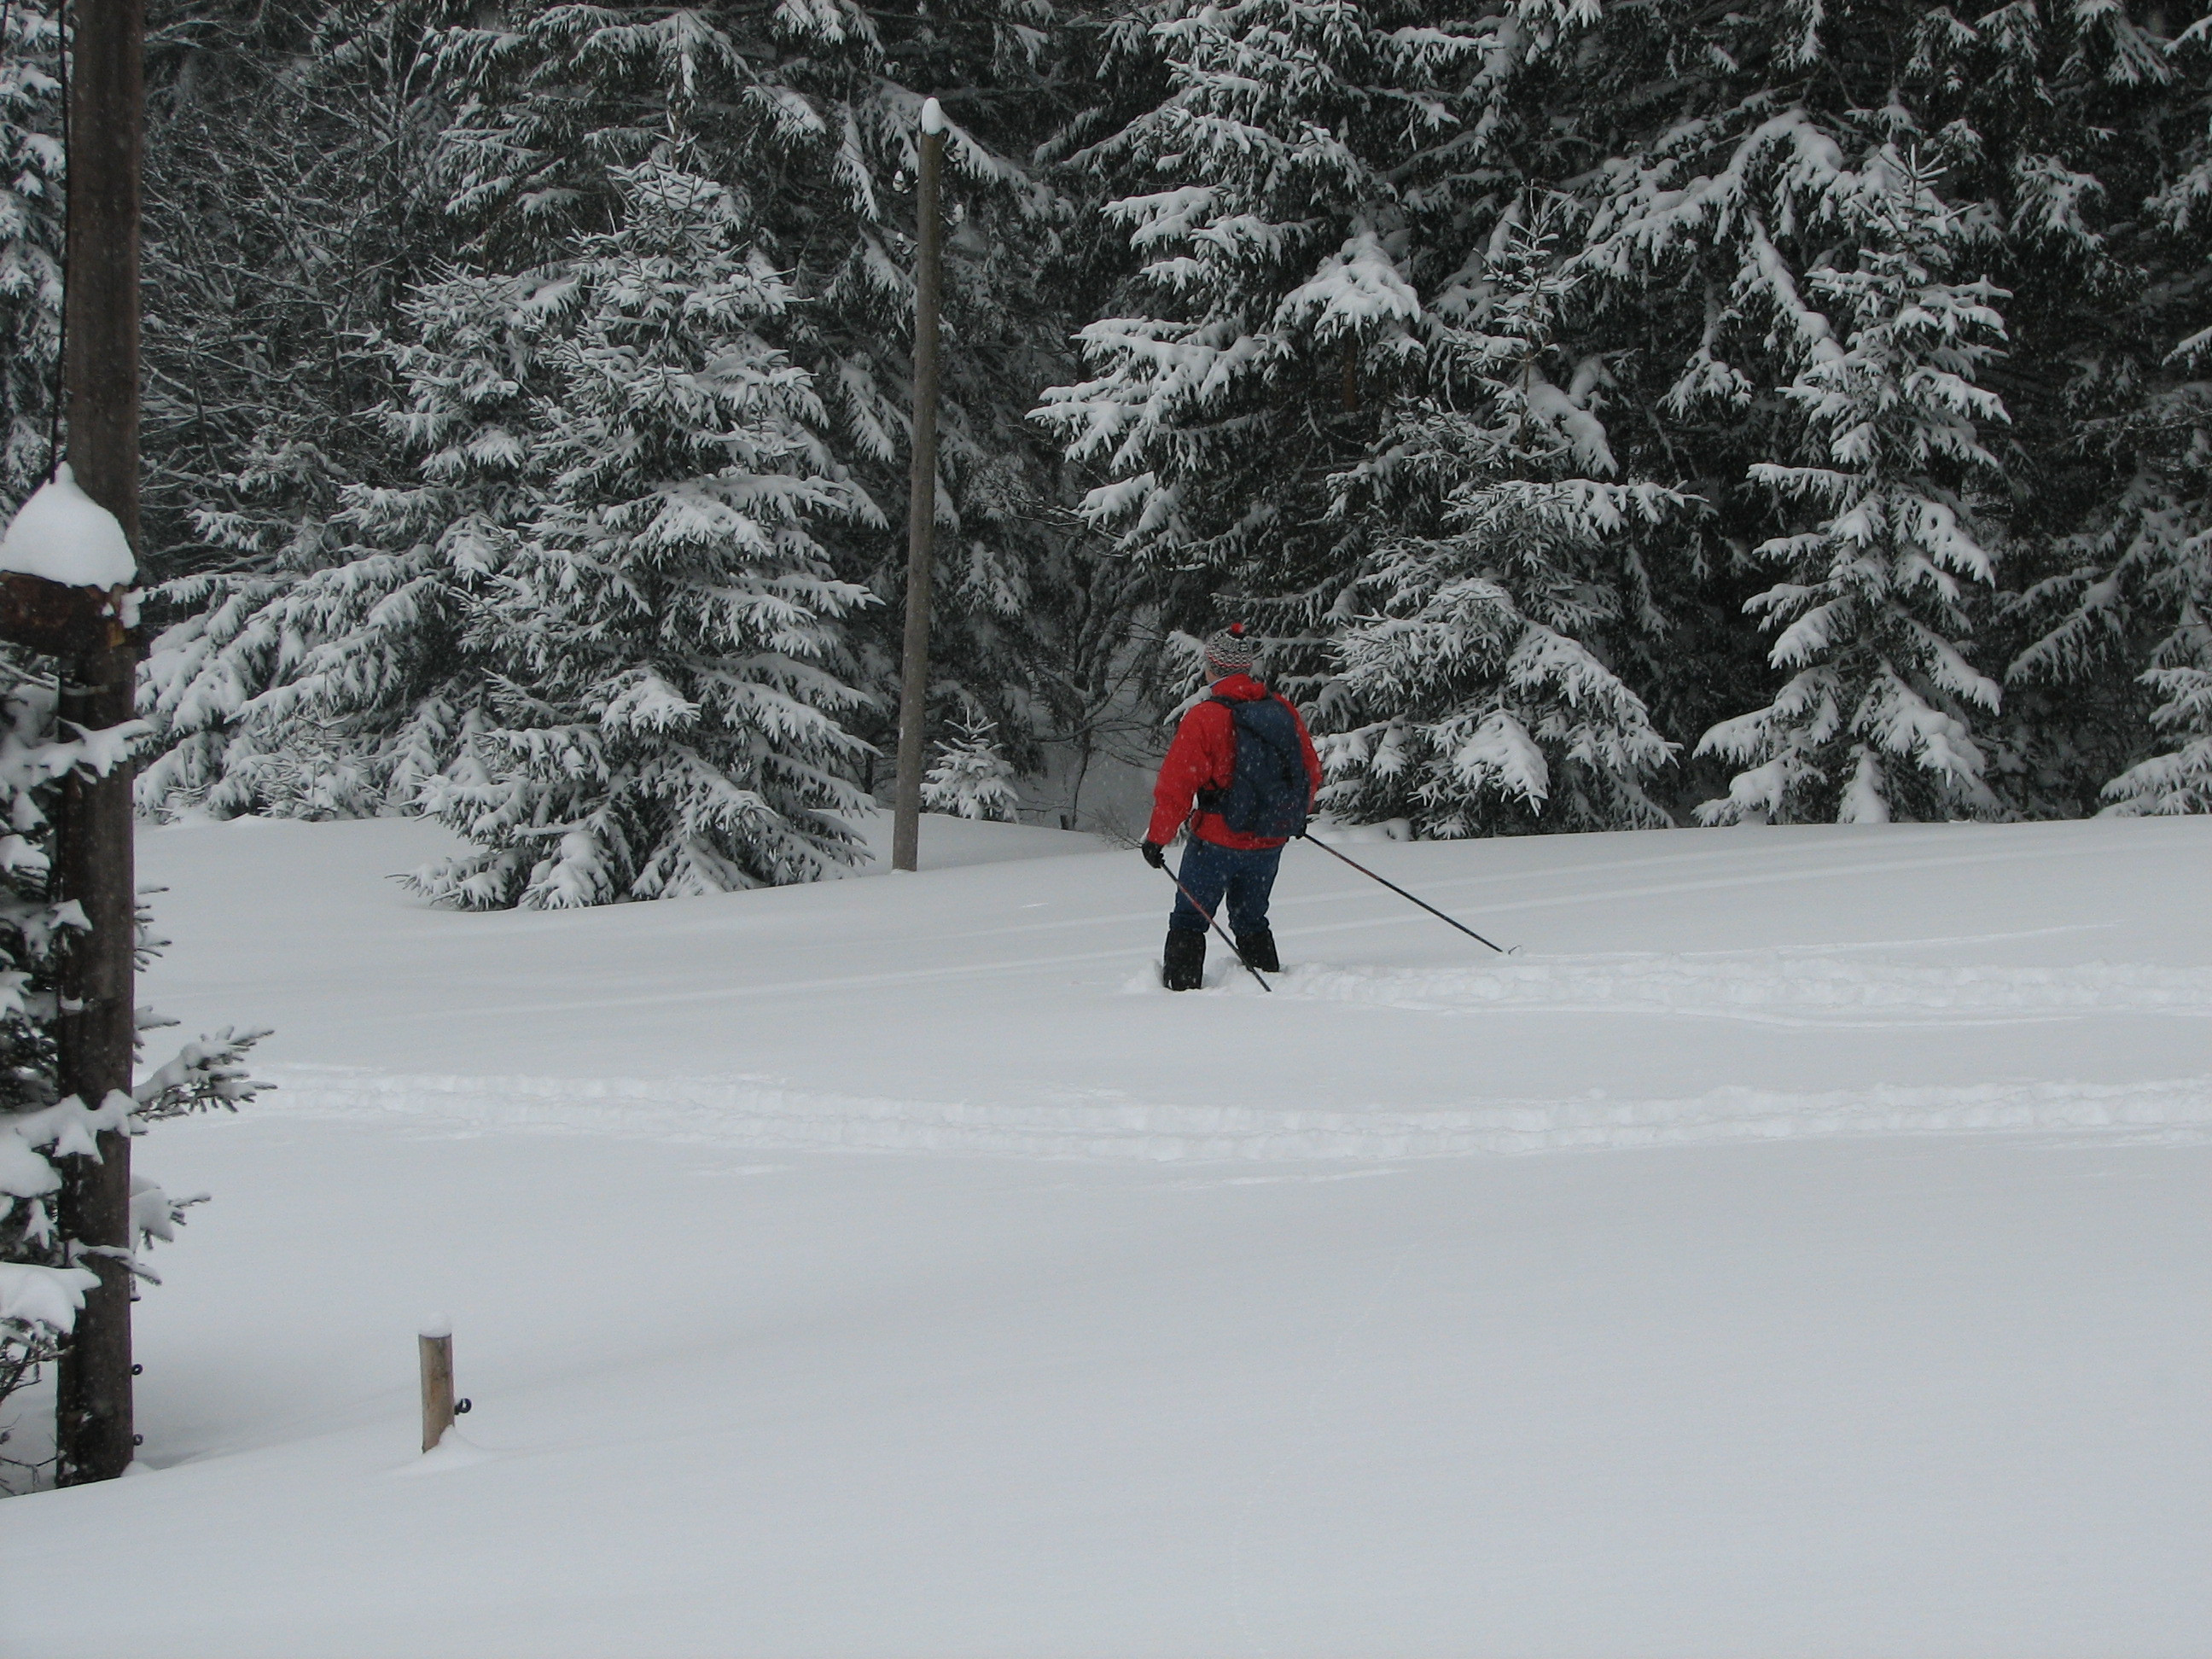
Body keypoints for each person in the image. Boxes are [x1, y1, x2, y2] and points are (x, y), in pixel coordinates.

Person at [1142, 624, 1323, 991]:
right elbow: (1308, 769)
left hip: (1217, 839)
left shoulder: (1205, 716)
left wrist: (1157, 838)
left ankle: (1179, 996)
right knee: (1251, 919)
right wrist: (1294, 814)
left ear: (1212, 668)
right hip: (1269, 838)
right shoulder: (1281, 708)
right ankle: (1267, 984)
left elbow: (1177, 786)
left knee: (1190, 918)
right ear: (1246, 667)